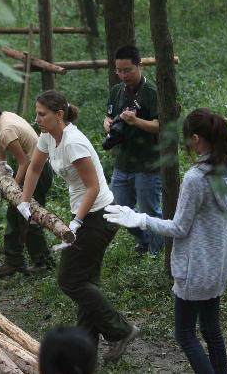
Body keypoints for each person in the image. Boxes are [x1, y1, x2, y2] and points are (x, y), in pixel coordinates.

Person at [104, 108, 227, 373]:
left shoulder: (196, 178)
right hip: (220, 264)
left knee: (185, 334)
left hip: (195, 271)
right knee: (212, 331)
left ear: (196, 138)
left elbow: (179, 228)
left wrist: (140, 219)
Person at [18, 90, 139, 362]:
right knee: (85, 282)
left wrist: (76, 222)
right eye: (36, 113)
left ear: (59, 115)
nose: (37, 119)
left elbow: (93, 186)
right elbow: (35, 168)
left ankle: (120, 330)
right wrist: (25, 202)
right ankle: (86, 354)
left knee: (69, 280)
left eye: (42, 114)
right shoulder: (48, 136)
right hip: (87, 214)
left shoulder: (73, 142)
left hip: (97, 217)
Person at [0, 91, 54, 277]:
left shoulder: (5, 128)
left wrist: (11, 188)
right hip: (34, 168)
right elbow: (3, 144)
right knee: (14, 215)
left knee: (29, 216)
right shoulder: (4, 119)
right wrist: (1, 167)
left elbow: (23, 162)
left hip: (37, 171)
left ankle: (43, 263)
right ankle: (14, 261)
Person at [103, 45, 163, 255]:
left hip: (148, 163)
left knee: (150, 211)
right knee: (119, 208)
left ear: (139, 65)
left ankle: (157, 254)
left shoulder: (152, 92)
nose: (123, 75)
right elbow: (108, 115)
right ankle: (144, 239)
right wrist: (108, 124)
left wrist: (136, 121)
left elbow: (160, 126)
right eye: (118, 70)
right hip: (123, 162)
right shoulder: (117, 91)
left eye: (127, 70)